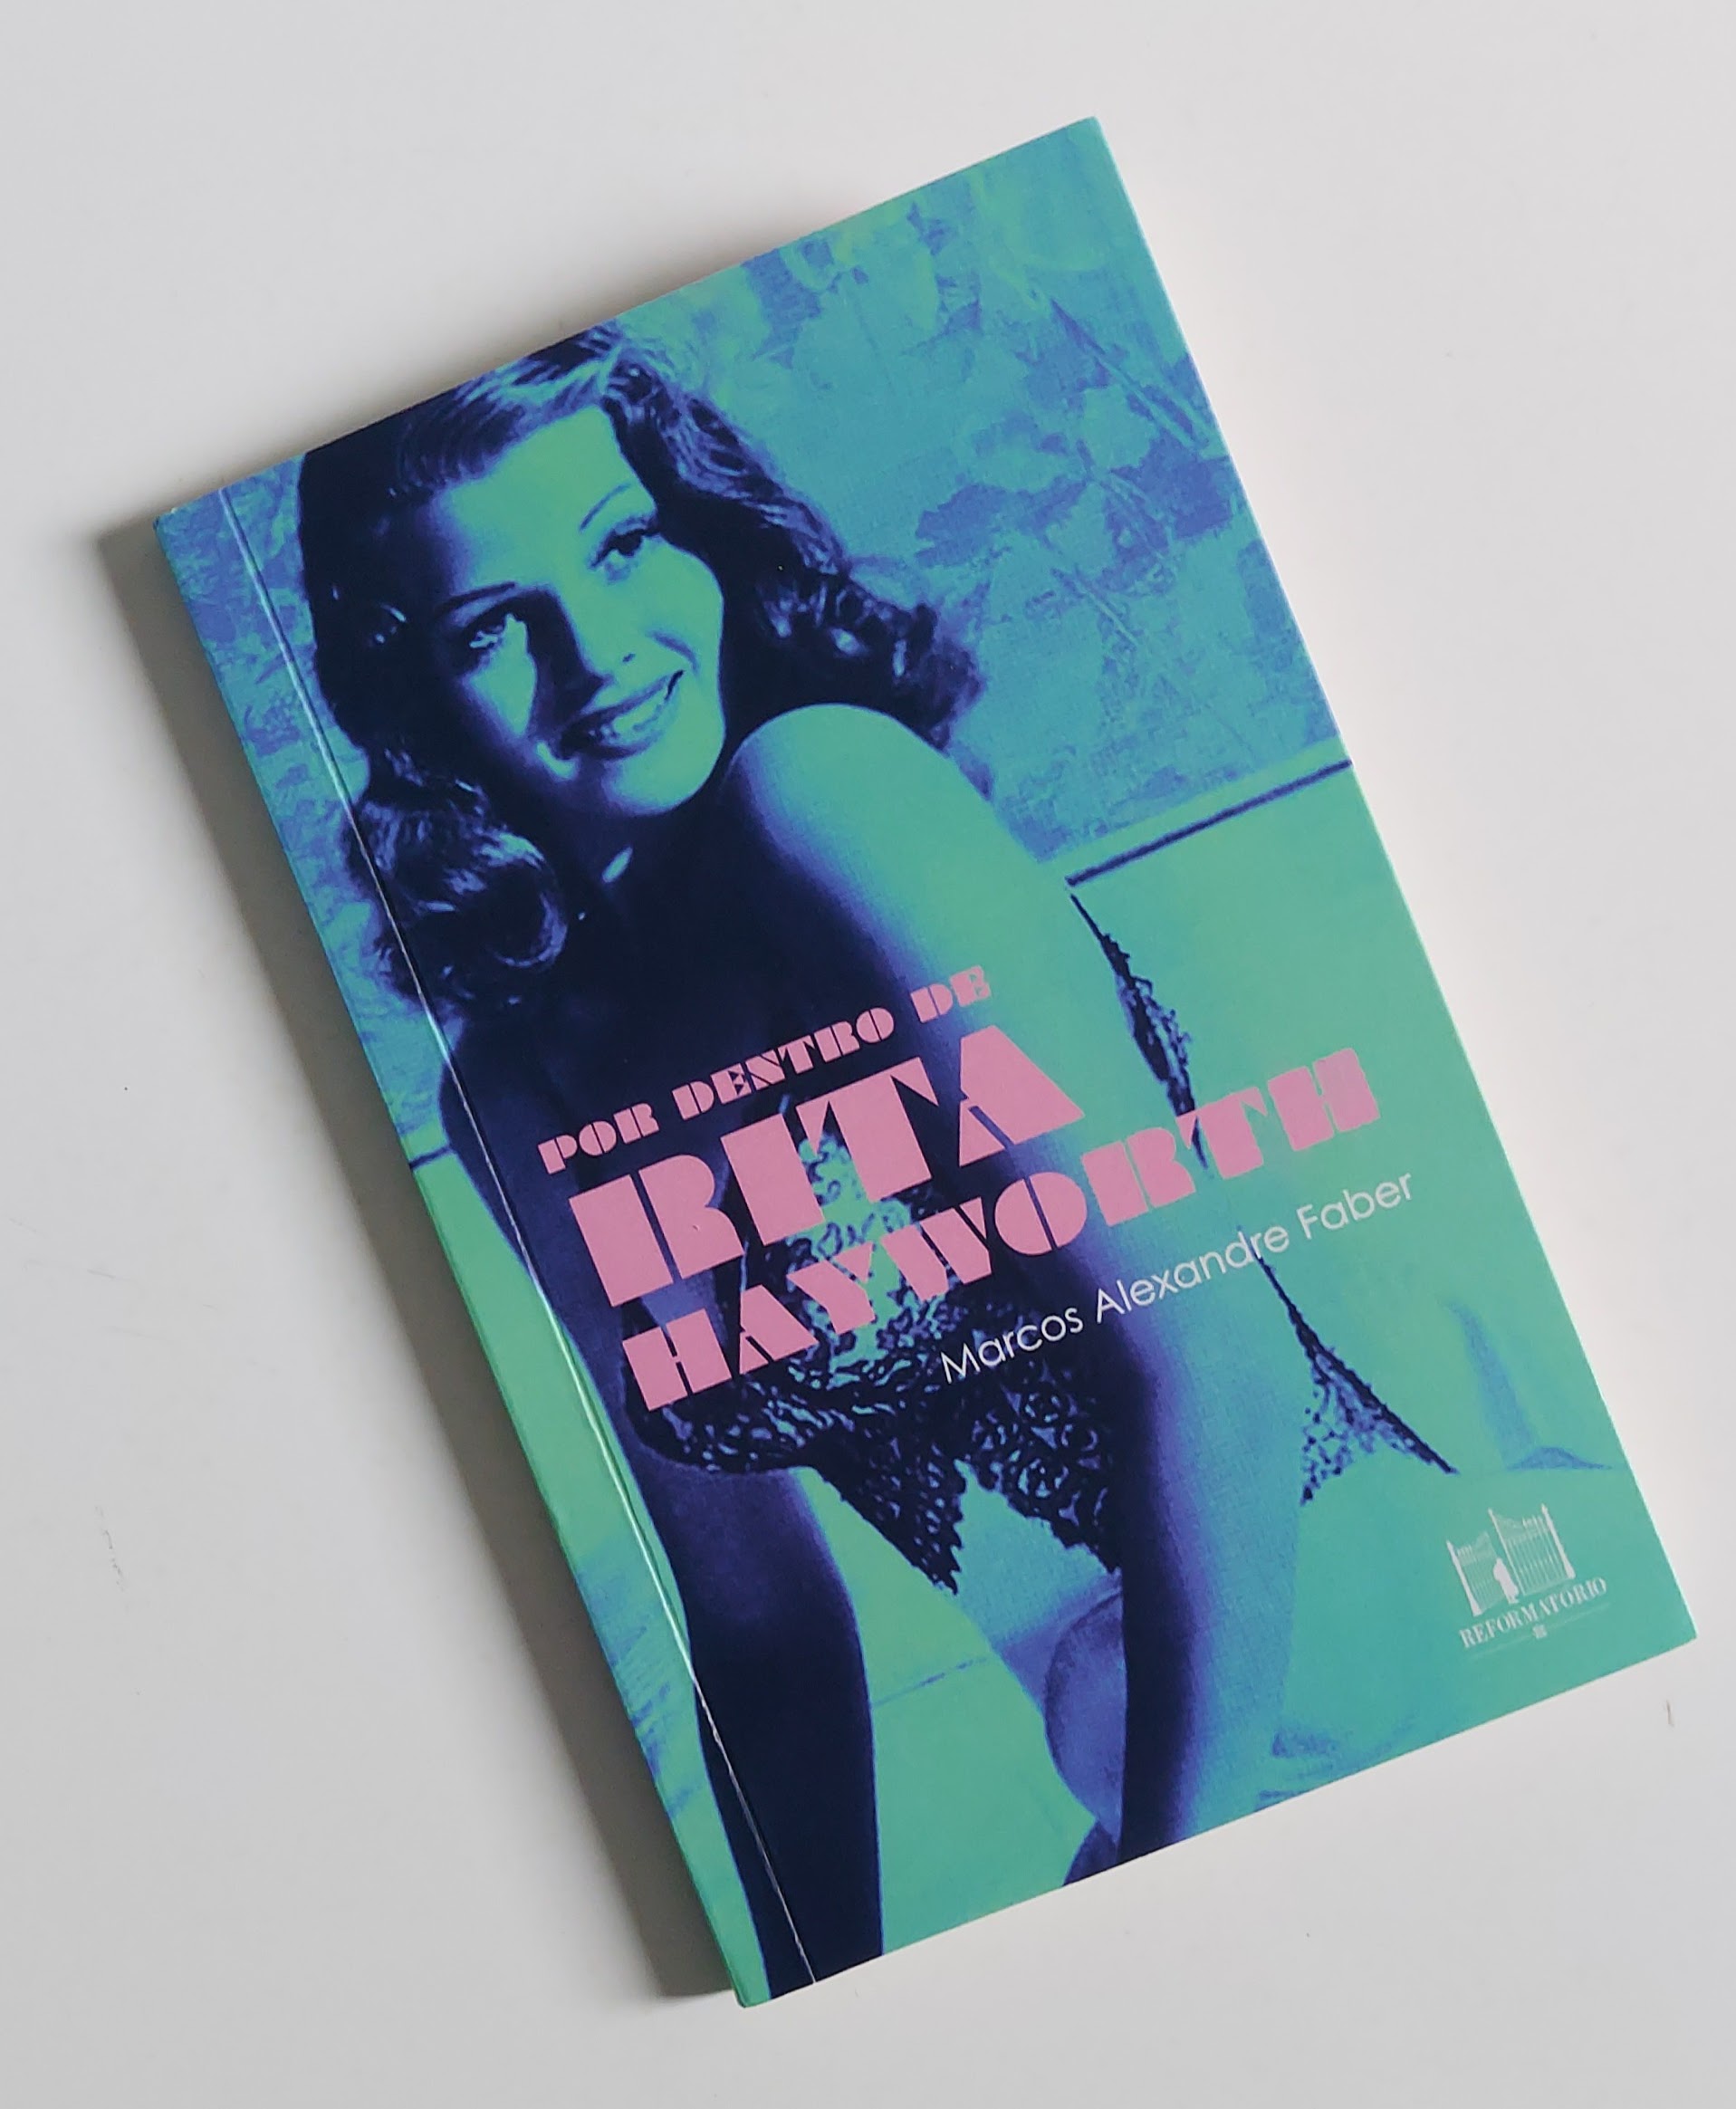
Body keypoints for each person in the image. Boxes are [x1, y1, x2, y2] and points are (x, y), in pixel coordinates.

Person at [295, 324, 1338, 1989]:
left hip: (1321, 1682)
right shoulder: (512, 1099)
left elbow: (1211, 1344)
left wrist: (1174, 1883)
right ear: (411, 695)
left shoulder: (827, 792)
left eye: (623, 544)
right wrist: (817, 2010)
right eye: (494, 625)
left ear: (697, 532)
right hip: (1132, 1792)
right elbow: (766, 1635)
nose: (601, 655)